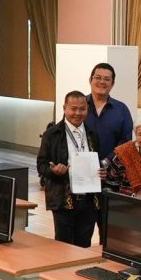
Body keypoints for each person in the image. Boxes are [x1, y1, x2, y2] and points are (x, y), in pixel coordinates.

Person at [37, 91, 104, 248]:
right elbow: (41, 165)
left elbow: (96, 162)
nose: (77, 113)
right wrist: (53, 171)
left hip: (89, 200)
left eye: (82, 109)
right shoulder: (51, 134)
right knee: (63, 246)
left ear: (87, 109)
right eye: (73, 109)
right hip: (63, 199)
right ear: (64, 108)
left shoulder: (92, 134)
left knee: (84, 245)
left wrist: (102, 171)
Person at [84, 63, 133, 164]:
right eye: (98, 77)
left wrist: (107, 162)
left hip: (113, 171)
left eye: (107, 79)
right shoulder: (78, 106)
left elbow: (126, 142)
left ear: (112, 83)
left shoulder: (121, 109)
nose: (102, 82)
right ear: (90, 80)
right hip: (82, 169)